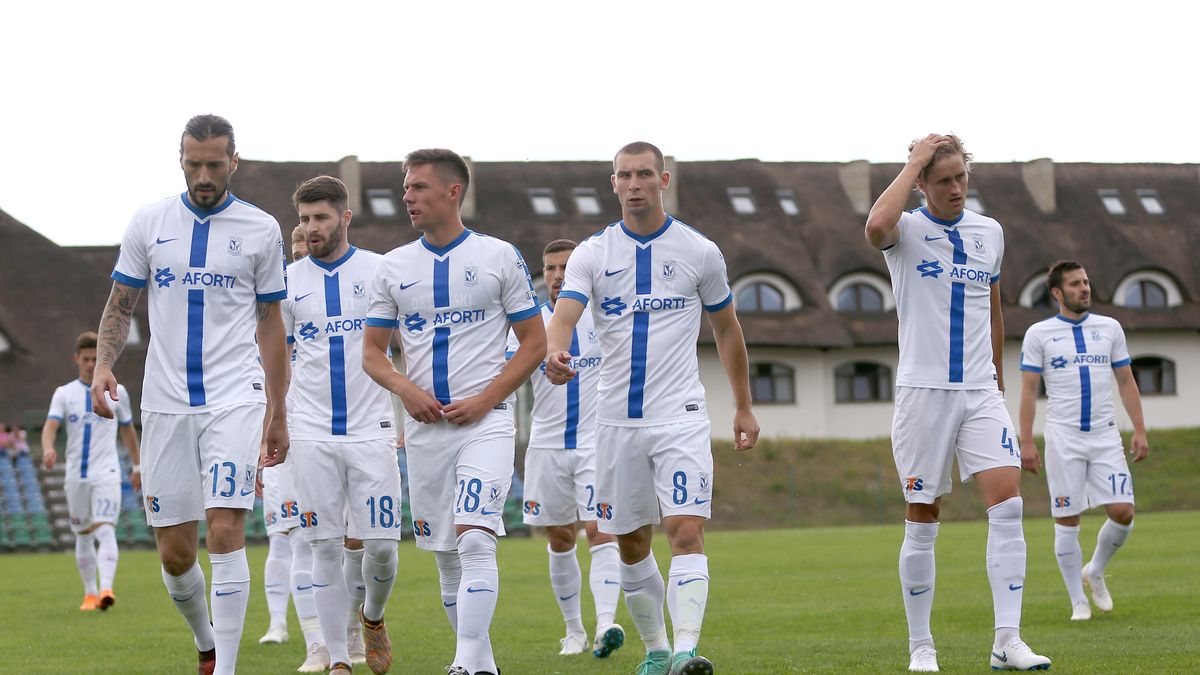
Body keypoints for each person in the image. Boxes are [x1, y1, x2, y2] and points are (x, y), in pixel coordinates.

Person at [544, 141, 759, 675]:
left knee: (685, 531)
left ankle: (688, 649)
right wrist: (554, 346)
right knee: (631, 542)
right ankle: (658, 650)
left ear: (663, 181)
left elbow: (727, 328)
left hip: (679, 417)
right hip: (614, 422)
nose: (634, 183)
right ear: (613, 184)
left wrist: (744, 406)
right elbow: (565, 312)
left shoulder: (700, 251)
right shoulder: (593, 254)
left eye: (644, 174)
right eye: (624, 175)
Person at [92, 114, 290, 675]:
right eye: (193, 163)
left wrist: (277, 409)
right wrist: (105, 364)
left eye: (214, 163)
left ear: (234, 161)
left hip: (236, 394)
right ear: (180, 159)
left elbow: (272, 321)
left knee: (226, 526)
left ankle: (224, 667)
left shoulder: (261, 228)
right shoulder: (149, 221)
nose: (204, 174)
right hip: (164, 399)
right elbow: (120, 304)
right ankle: (206, 642)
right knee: (175, 552)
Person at [864, 134, 1051, 672]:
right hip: (923, 394)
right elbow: (874, 228)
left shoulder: (989, 232)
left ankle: (1007, 640)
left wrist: (994, 381)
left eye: (961, 178)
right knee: (923, 516)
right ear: (922, 184)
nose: (955, 189)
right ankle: (921, 647)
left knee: (1009, 505)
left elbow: (993, 312)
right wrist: (914, 162)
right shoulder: (905, 228)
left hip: (980, 391)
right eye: (942, 180)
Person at [363, 148, 546, 675]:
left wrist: (487, 399)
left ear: (452, 192)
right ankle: (481, 664)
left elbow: (533, 343)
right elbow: (372, 352)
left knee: (474, 536)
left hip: (486, 424)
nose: (407, 197)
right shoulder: (394, 265)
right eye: (406, 188)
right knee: (447, 556)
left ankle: (463, 663)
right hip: (425, 433)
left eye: (418, 187)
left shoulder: (499, 256)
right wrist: (405, 391)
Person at [284, 175, 401, 675]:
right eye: (305, 219)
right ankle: (337, 660)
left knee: (381, 550)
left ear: (345, 218)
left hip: (372, 430)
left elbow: (404, 349)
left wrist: (408, 411)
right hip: (310, 432)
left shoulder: (381, 272)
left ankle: (371, 618)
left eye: (321, 218)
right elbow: (275, 359)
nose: (312, 228)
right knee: (323, 547)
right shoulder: (285, 283)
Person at [508, 238, 624, 659]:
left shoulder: (603, 318)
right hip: (547, 446)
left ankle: (607, 623)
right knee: (560, 537)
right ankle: (573, 630)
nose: (557, 275)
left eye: (565, 267)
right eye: (551, 268)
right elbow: (507, 376)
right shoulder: (530, 326)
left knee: (600, 529)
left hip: (598, 445)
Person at [1018, 261, 1149, 621]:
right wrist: (1026, 441)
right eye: (1076, 284)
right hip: (1063, 438)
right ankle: (1077, 599)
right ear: (1058, 293)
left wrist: (1139, 430)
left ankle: (1094, 571)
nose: (1085, 288)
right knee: (1067, 518)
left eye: (1086, 282)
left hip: (1106, 434)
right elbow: (1029, 390)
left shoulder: (1110, 328)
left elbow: (1126, 381)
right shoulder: (1039, 334)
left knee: (1123, 513)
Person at [257, 223, 333, 673]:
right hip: (283, 432)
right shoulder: (273, 303)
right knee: (286, 536)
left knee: (336, 542)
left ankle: (341, 631)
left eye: (309, 240)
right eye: (297, 243)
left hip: (330, 431)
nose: (303, 248)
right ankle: (294, 632)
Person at [42, 331, 142, 611]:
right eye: (86, 358)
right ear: (76, 359)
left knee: (105, 528)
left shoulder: (117, 392)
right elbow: (50, 427)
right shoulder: (64, 394)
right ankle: (90, 593)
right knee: (83, 534)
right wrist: (49, 448)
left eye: (95, 358)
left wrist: (137, 466)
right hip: (75, 475)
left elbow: (128, 433)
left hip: (106, 472)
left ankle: (107, 588)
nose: (90, 364)